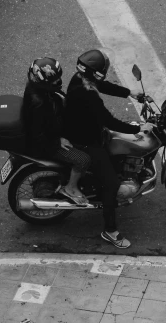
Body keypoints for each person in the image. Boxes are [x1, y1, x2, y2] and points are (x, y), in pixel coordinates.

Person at [64, 49, 143, 250]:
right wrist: (139, 128)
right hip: (87, 141)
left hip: (85, 130)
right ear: (96, 72)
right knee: (111, 184)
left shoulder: (79, 78)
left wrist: (129, 93)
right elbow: (109, 120)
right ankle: (110, 231)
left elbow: (103, 86)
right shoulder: (88, 95)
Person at [22, 57, 90, 205]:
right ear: (43, 83)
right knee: (83, 159)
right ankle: (71, 188)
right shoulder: (38, 104)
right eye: (55, 81)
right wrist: (58, 140)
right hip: (48, 144)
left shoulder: (40, 91)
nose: (59, 83)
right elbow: (38, 134)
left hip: (55, 131)